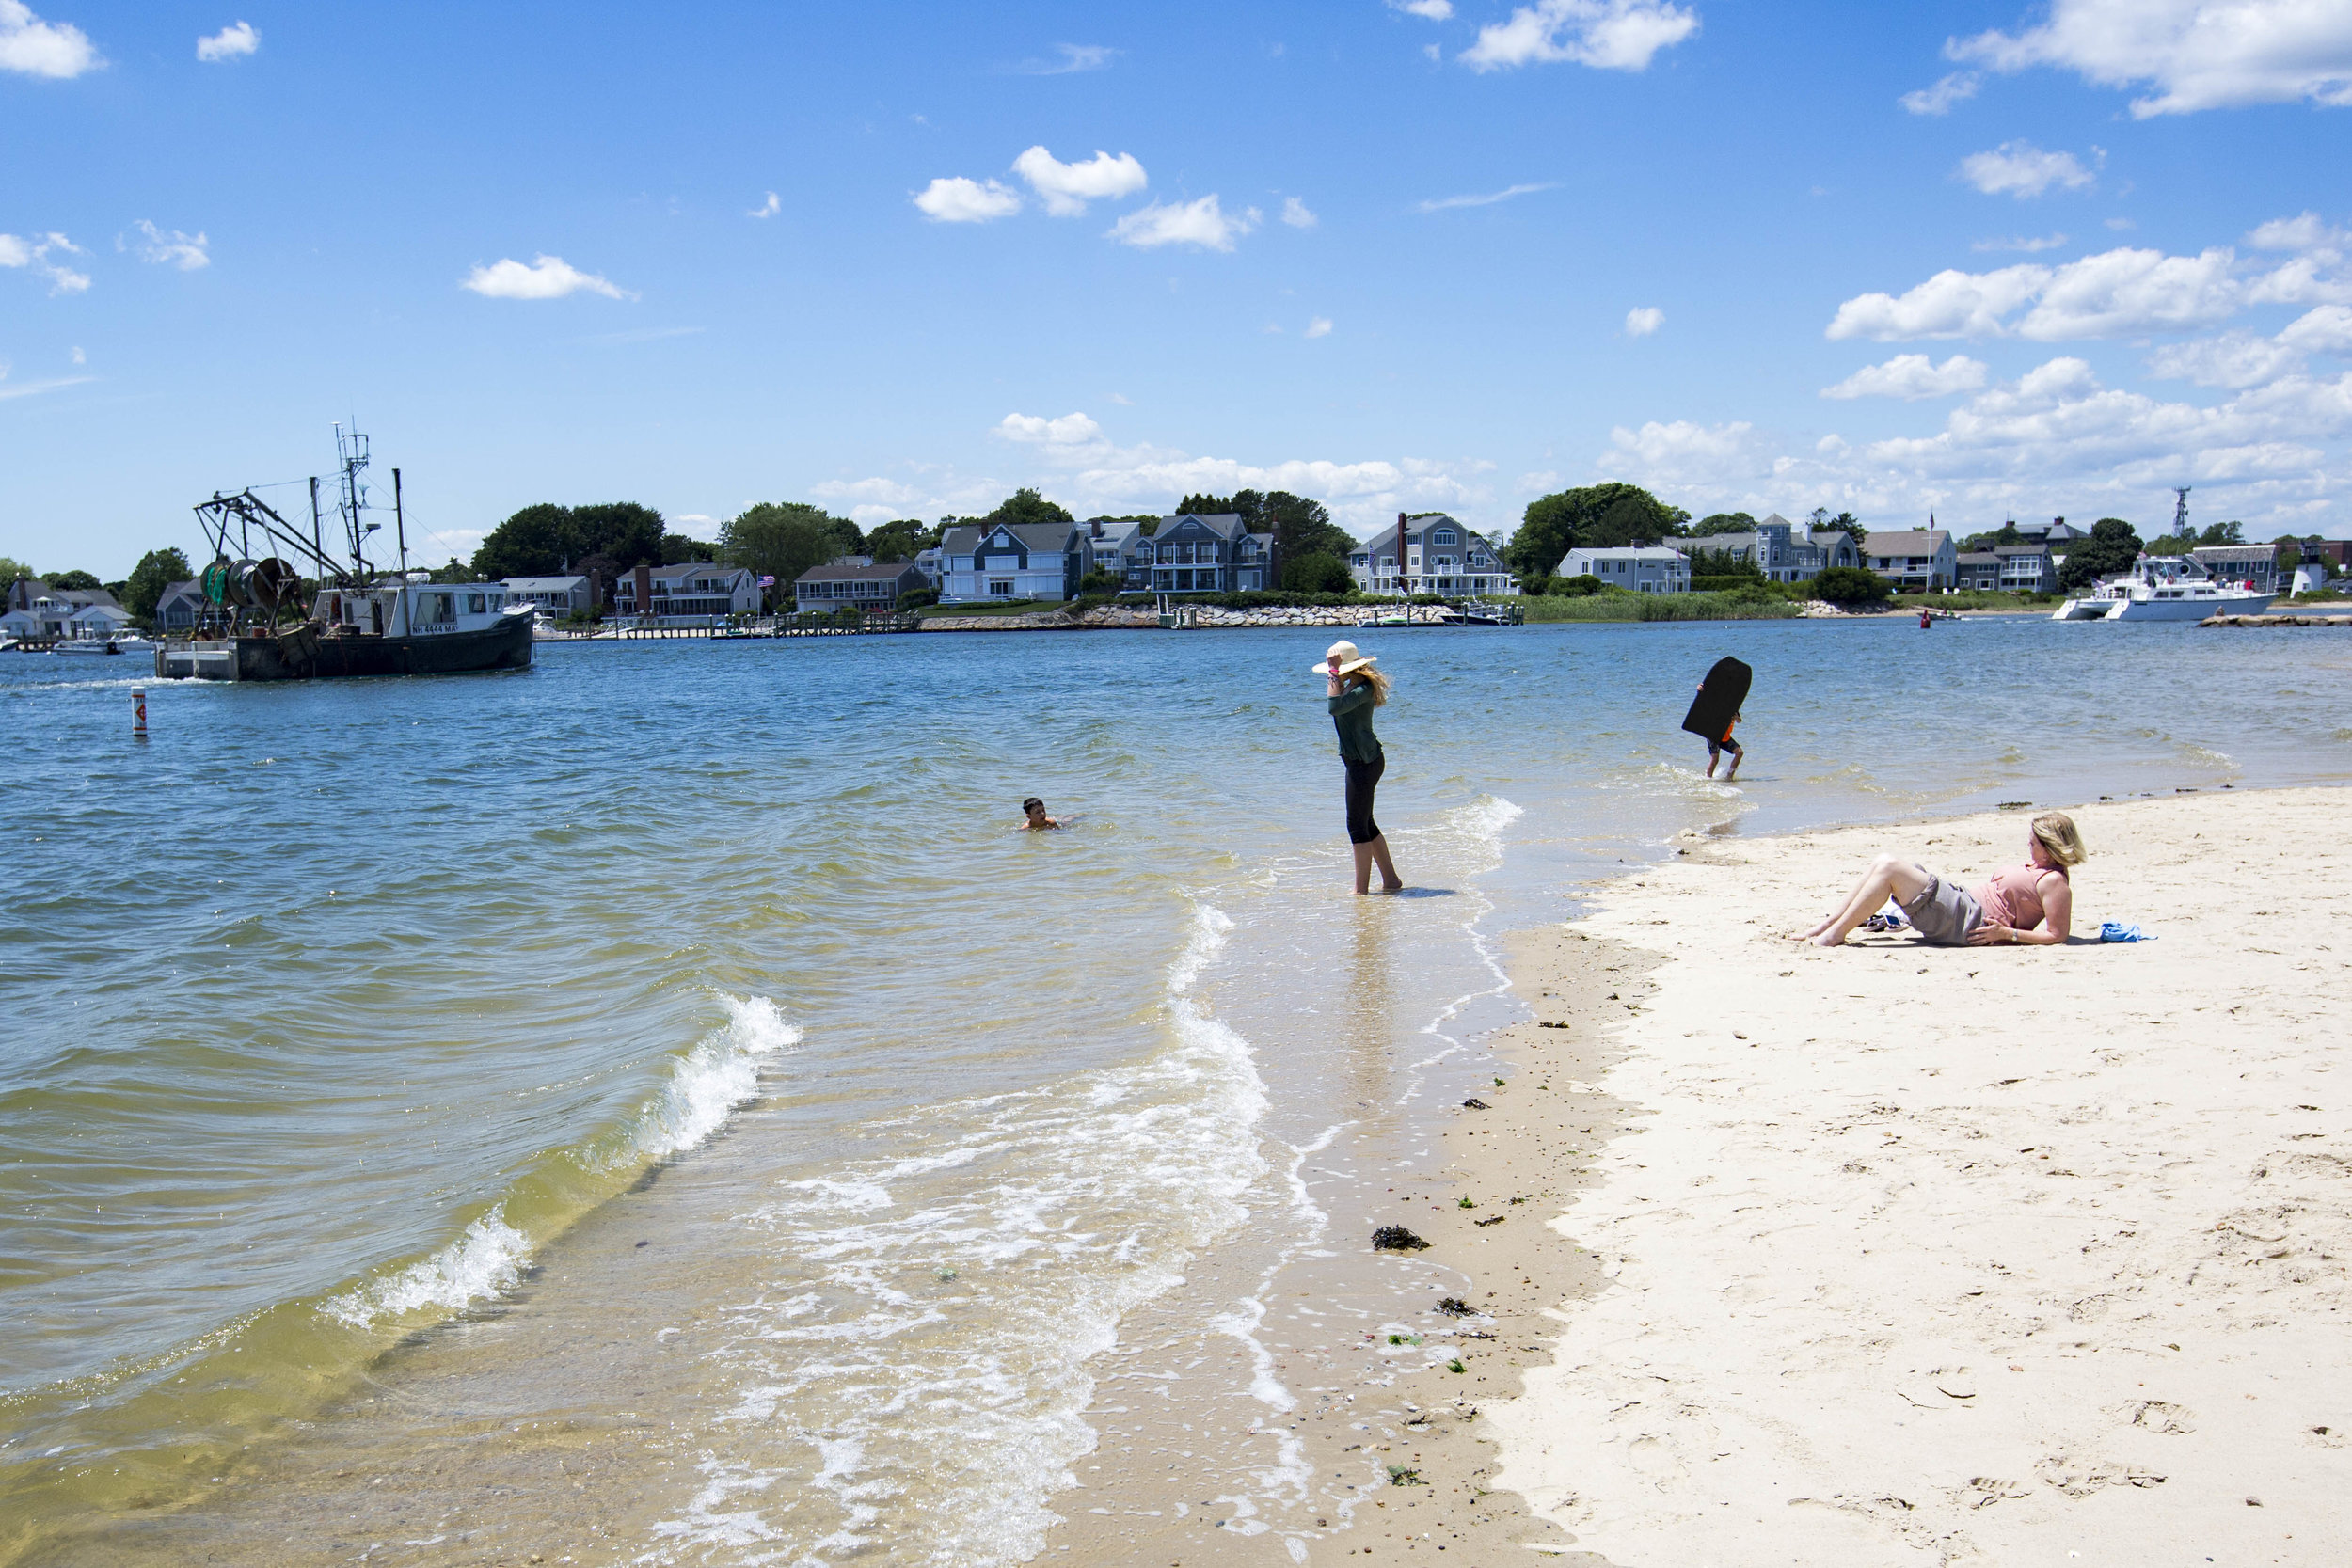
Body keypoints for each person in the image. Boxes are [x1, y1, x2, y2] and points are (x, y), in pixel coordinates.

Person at [1800, 811, 2085, 948]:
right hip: (1961, 905)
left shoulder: (2054, 882)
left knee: (1890, 867)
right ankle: (1828, 925)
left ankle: (1835, 935)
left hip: (1966, 921)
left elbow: (2056, 935)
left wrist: (2005, 934)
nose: (2029, 845)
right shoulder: (2038, 868)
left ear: (2051, 846)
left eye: (2034, 842)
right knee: (1885, 862)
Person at [1316, 640, 1403, 895]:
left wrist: (1333, 673)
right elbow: (1337, 705)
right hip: (1361, 761)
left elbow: (1334, 708)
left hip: (1365, 762)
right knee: (1365, 822)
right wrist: (1336, 677)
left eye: (1338, 672)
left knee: (1356, 825)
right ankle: (1391, 880)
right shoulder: (1351, 686)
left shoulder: (1363, 688)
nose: (1334, 677)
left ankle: (1360, 891)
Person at [1704, 700, 1743, 782]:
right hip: (1713, 736)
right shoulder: (1716, 705)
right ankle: (1708, 779)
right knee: (1715, 758)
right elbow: (1703, 703)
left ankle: (1729, 778)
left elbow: (1739, 720)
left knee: (1739, 752)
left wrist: (1737, 718)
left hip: (1725, 738)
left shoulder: (1734, 707)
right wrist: (1699, 690)